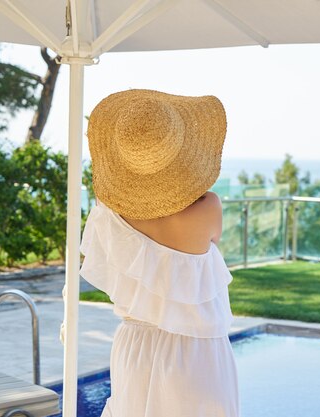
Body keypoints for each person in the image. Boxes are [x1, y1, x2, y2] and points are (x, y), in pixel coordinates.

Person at [79, 89, 239, 417]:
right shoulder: (208, 208)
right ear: (182, 148)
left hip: (134, 348)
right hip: (195, 354)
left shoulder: (106, 210)